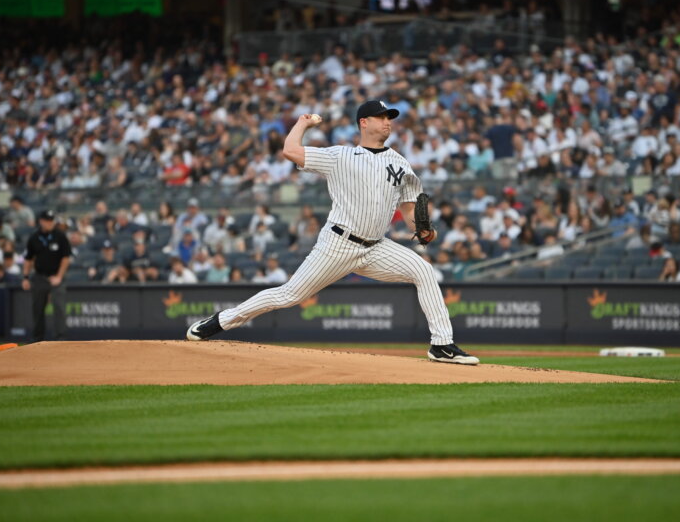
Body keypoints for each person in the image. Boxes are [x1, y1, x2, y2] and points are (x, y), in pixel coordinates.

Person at [187, 101, 480, 365]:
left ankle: (441, 344)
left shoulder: (401, 163)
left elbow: (409, 210)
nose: (387, 122)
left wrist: (424, 232)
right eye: (381, 117)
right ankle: (221, 321)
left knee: (424, 271)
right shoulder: (341, 156)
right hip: (338, 244)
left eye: (389, 118)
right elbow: (290, 150)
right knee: (288, 295)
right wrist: (302, 123)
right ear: (364, 122)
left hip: (377, 247)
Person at [21, 210, 72, 342]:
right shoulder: (34, 237)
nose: (50, 223)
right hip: (40, 277)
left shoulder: (60, 236)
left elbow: (66, 258)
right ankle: (37, 340)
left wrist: (59, 276)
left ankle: (60, 339)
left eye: (51, 220)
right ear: (41, 221)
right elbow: (28, 258)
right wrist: (25, 277)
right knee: (37, 308)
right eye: (47, 220)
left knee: (59, 307)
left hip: (56, 276)